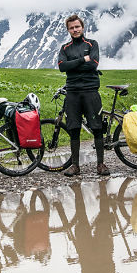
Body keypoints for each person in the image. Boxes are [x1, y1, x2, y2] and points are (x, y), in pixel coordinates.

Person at [57, 14, 109, 176]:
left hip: (90, 91)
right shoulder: (65, 48)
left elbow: (93, 64)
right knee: (73, 128)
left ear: (82, 27)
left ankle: (101, 164)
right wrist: (82, 60)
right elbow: (62, 67)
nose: (75, 30)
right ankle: (75, 166)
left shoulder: (92, 44)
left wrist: (73, 65)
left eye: (77, 27)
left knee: (97, 127)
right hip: (72, 92)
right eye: (71, 28)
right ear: (68, 30)